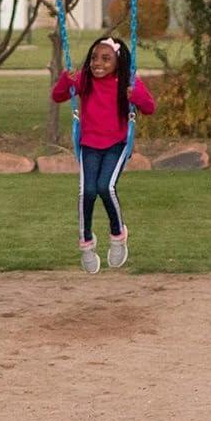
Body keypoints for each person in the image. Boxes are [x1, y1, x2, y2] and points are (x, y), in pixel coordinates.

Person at [51, 34, 156, 275]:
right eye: (94, 58)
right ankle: (86, 243)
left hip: (117, 145)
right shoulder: (84, 80)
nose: (98, 63)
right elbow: (58, 97)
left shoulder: (127, 82)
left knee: (105, 187)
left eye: (106, 59)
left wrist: (135, 96)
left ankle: (118, 234)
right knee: (86, 192)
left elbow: (149, 107)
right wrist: (65, 80)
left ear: (118, 62)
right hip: (89, 144)